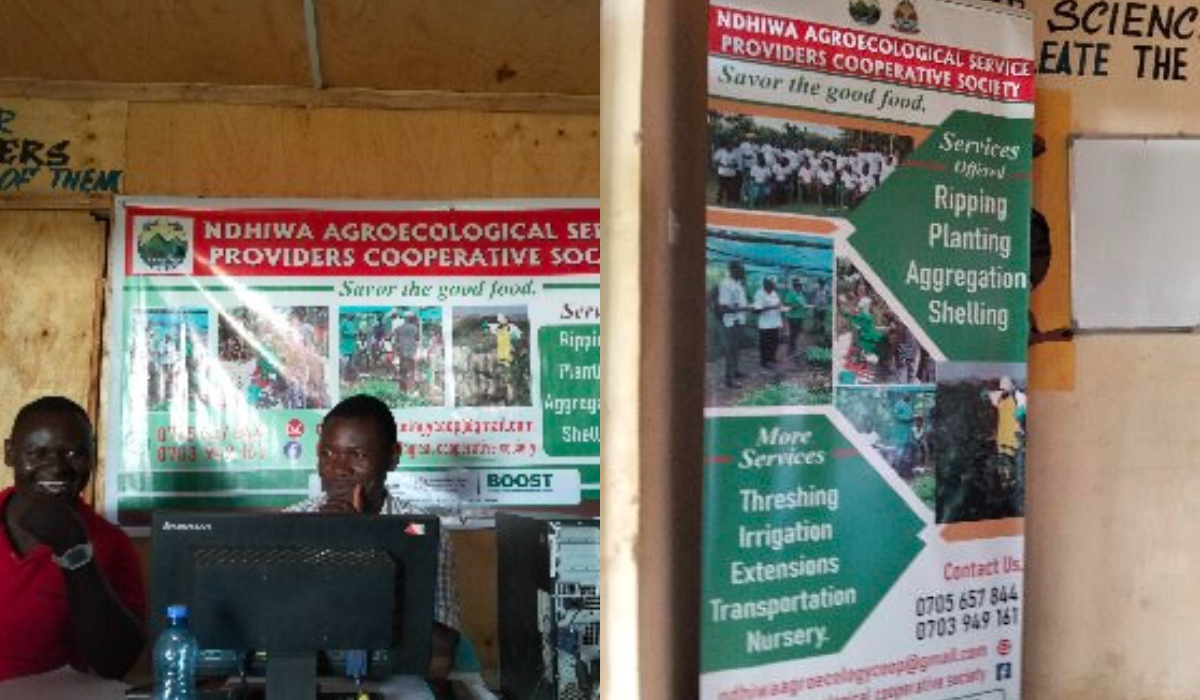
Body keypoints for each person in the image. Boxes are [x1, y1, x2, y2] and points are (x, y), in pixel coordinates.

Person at [284, 395, 461, 681]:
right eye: (327, 454)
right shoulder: (288, 525)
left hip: (395, 687)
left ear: (393, 456)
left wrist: (362, 543)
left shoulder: (424, 533)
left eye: (357, 455)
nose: (339, 469)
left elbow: (439, 659)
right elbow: (271, 633)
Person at [0, 396, 145, 682]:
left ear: (92, 457)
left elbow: (116, 663)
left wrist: (74, 552)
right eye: (37, 453)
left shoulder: (110, 543)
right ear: (9, 453)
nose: (56, 467)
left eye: (73, 453)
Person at [716, 261, 749, 388]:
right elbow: (723, 308)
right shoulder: (726, 284)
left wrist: (746, 307)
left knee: (736, 349)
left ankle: (735, 371)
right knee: (730, 351)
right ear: (733, 270)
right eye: (741, 270)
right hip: (731, 323)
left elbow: (738, 302)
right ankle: (729, 380)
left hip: (739, 321)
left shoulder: (738, 283)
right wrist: (743, 309)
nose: (744, 273)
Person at [782, 277, 811, 361]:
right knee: (793, 333)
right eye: (799, 286)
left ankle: (793, 347)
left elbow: (804, 303)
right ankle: (790, 350)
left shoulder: (801, 295)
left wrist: (806, 307)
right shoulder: (791, 293)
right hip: (793, 317)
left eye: (801, 286)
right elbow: (787, 304)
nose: (801, 288)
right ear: (795, 287)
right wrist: (795, 306)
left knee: (796, 333)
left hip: (800, 316)